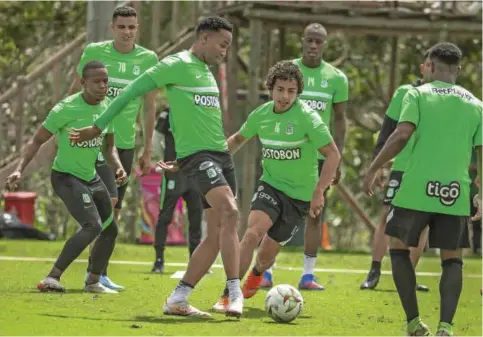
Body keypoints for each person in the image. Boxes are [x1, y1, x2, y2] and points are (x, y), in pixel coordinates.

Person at [69, 16, 243, 318]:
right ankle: (234, 293)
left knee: (216, 234)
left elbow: (191, 118)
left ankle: (179, 297)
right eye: (222, 45)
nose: (224, 53)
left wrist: (183, 157)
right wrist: (97, 128)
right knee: (231, 211)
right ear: (204, 38)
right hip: (201, 158)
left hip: (219, 156)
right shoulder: (175, 64)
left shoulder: (205, 71)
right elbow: (129, 93)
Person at [363, 42, 482, 336]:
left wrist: (374, 166)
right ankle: (446, 327)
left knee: (398, 248)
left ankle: (414, 323)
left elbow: (401, 134)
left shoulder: (416, 94)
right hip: (453, 193)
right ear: (459, 69)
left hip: (415, 189)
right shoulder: (476, 104)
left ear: (429, 65)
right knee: (452, 258)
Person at [211, 61, 340, 312]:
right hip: (270, 185)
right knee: (251, 234)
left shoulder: (308, 118)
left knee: (266, 255)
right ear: (270, 89)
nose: (285, 96)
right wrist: (208, 159)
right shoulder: (261, 115)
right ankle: (230, 294)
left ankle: (258, 273)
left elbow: (333, 154)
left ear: (297, 92)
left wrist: (318, 193)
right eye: (280, 89)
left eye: (291, 91)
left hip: (300, 196)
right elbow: (238, 139)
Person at [6, 61, 127, 294]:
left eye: (105, 81)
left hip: (91, 177)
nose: (103, 86)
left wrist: (118, 167)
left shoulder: (108, 107)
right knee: (92, 226)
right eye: (96, 81)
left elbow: (109, 147)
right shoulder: (65, 109)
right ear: (83, 83)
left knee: (110, 229)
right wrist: (19, 168)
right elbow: (37, 140)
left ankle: (93, 282)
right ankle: (52, 277)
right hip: (66, 177)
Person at [67, 5, 158, 291]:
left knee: (114, 210)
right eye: (122, 27)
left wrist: (146, 149)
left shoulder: (148, 59)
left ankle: (98, 272)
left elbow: (150, 105)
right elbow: (73, 92)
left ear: (137, 28)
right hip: (95, 142)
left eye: (132, 27)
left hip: (125, 145)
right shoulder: (95, 52)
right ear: (112, 28)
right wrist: (67, 129)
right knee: (108, 204)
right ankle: (92, 275)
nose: (127, 32)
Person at [262, 23, 348, 290]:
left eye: (318, 42)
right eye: (309, 40)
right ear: (302, 41)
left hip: (320, 155)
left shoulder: (336, 78)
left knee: (315, 212)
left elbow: (341, 119)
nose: (313, 45)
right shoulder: (288, 72)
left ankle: (308, 274)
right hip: (286, 151)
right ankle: (265, 271)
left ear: (325, 44)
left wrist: (339, 157)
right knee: (273, 211)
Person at [360, 75, 429, 292]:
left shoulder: (446, 97)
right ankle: (374, 271)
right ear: (424, 67)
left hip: (430, 168)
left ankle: (410, 275)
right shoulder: (404, 93)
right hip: (402, 167)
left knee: (423, 221)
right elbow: (388, 130)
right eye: (428, 63)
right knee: (387, 216)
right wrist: (377, 164)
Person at [151, 107, 203, 273]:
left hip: (193, 173)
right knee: (165, 216)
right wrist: (162, 161)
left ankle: (195, 260)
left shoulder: (198, 111)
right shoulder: (167, 113)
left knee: (196, 217)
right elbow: (155, 139)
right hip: (173, 174)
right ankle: (159, 260)